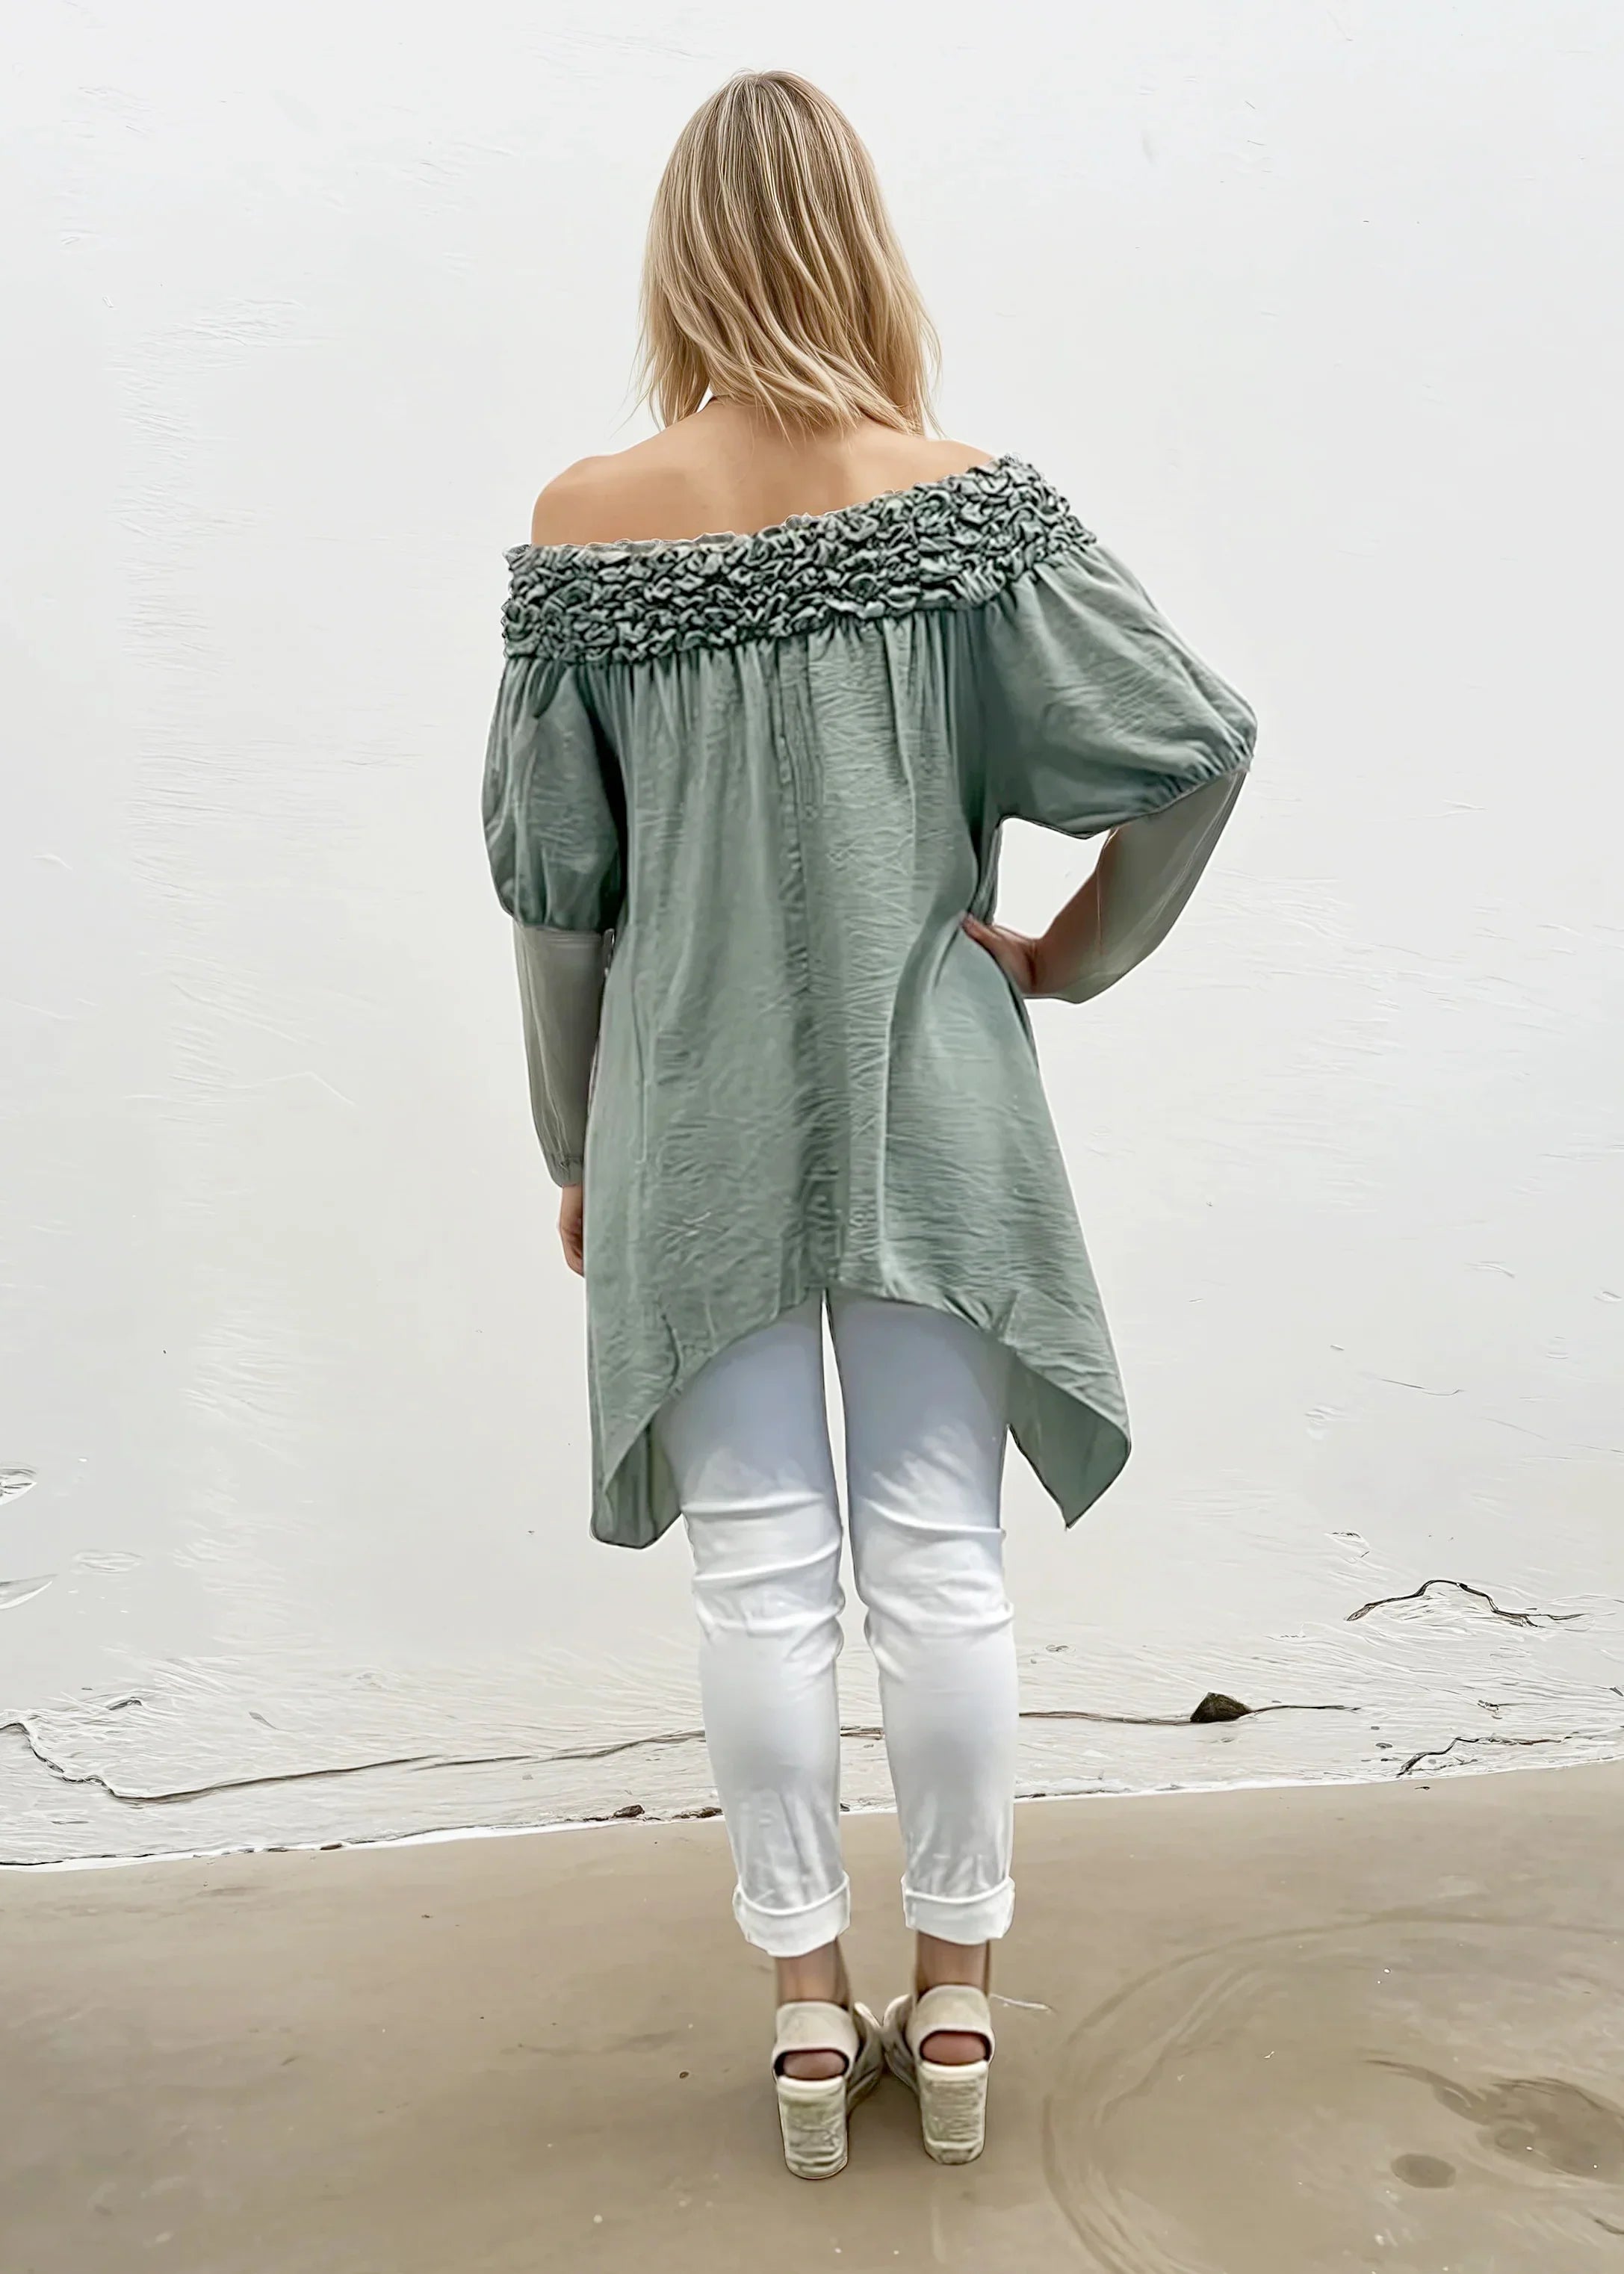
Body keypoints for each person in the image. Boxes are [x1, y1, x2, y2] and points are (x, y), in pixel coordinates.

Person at [483, 69, 1257, 2179]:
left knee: (760, 1581)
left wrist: (576, 1142)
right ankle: (964, 1992)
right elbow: (1196, 745)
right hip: (937, 1104)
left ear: (681, 256)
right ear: (861, 241)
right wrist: (1066, 957)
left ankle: (811, 2021)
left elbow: (559, 897)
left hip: (692, 1115)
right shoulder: (967, 508)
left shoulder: (587, 526)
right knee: (942, 1562)